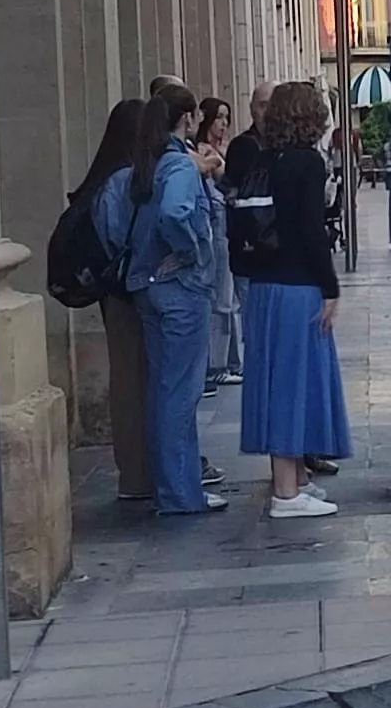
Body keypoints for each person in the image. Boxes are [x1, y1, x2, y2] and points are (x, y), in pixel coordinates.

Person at [93, 83, 225, 516]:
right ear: (187, 120)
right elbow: (174, 215)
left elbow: (110, 222)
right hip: (180, 289)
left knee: (162, 387)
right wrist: (189, 250)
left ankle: (173, 484)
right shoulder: (181, 168)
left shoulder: (136, 169)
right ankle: (179, 493)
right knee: (179, 393)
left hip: (145, 286)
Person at [237, 82, 350, 519]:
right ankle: (287, 492)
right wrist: (330, 286)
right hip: (295, 286)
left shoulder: (264, 159)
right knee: (294, 382)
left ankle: (294, 480)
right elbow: (311, 233)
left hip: (264, 286)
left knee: (276, 379)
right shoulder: (306, 163)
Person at [74, 100, 154, 501]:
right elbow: (126, 240)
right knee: (133, 379)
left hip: (117, 292)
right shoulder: (123, 181)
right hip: (129, 292)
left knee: (129, 378)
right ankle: (138, 473)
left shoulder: (106, 176)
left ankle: (136, 472)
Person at [197, 98, 241, 394]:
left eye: (227, 117)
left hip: (230, 226)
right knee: (221, 297)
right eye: (219, 118)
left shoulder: (225, 149)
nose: (223, 124)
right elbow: (226, 179)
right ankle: (216, 365)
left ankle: (232, 361)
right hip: (217, 227)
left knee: (230, 296)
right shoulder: (202, 152)